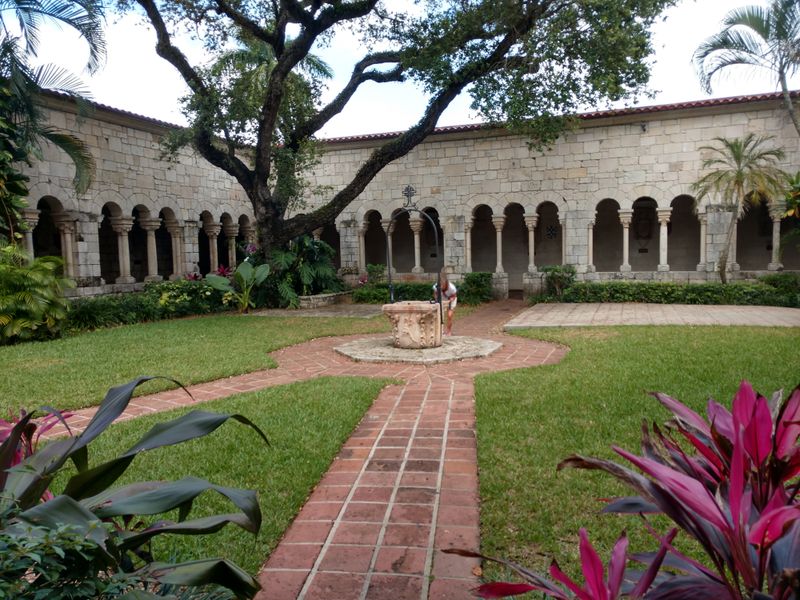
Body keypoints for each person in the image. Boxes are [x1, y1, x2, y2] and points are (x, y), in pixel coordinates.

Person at [432, 269, 457, 336]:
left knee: (449, 315)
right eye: (441, 284)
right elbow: (435, 294)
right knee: (440, 315)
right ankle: (441, 331)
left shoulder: (452, 288)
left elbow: (454, 296)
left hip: (451, 299)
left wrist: (450, 300)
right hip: (442, 299)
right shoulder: (436, 286)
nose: (442, 286)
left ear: (446, 283)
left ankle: (449, 331)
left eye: (443, 285)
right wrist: (437, 300)